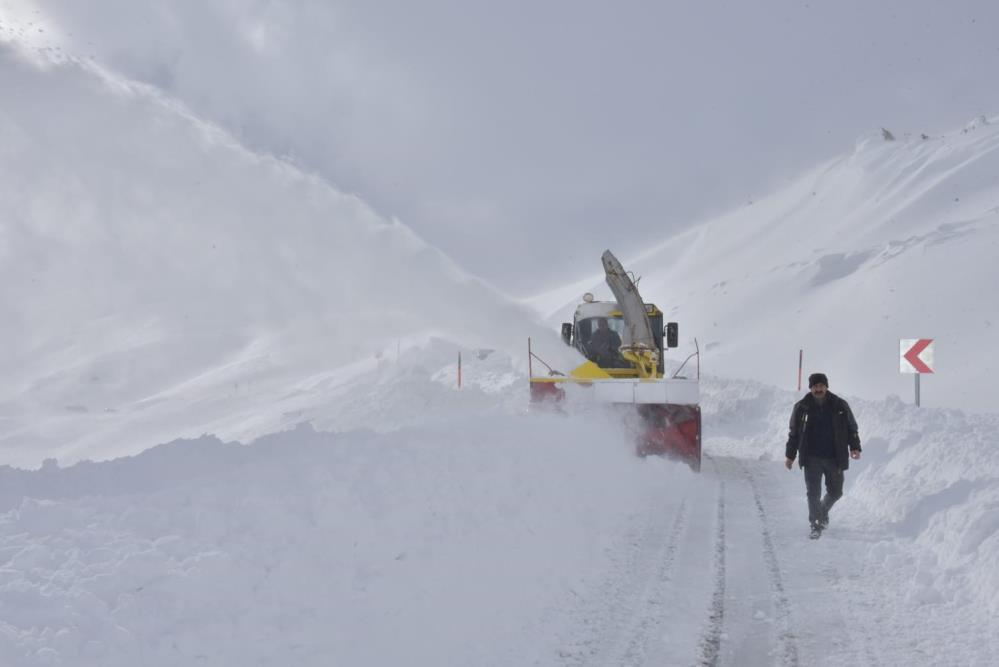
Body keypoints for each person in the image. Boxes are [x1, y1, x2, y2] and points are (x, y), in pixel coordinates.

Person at [785, 372, 862, 538]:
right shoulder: (801, 407)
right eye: (815, 386)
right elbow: (794, 434)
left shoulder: (840, 405)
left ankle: (821, 510)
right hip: (811, 458)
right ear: (810, 388)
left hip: (834, 457)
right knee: (813, 492)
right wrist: (790, 456)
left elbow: (852, 428)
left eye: (821, 386)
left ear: (826, 386)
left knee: (836, 492)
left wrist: (855, 447)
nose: (818, 389)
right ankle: (816, 523)